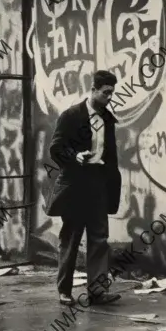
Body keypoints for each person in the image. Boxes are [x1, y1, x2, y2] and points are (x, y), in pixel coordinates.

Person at [46, 69, 122, 306]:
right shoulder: (71, 115)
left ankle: (97, 291)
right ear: (93, 90)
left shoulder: (107, 119)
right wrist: (75, 156)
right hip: (76, 185)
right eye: (105, 92)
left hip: (99, 183)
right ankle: (64, 291)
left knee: (99, 238)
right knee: (71, 238)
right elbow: (56, 148)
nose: (110, 97)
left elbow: (110, 154)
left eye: (112, 92)